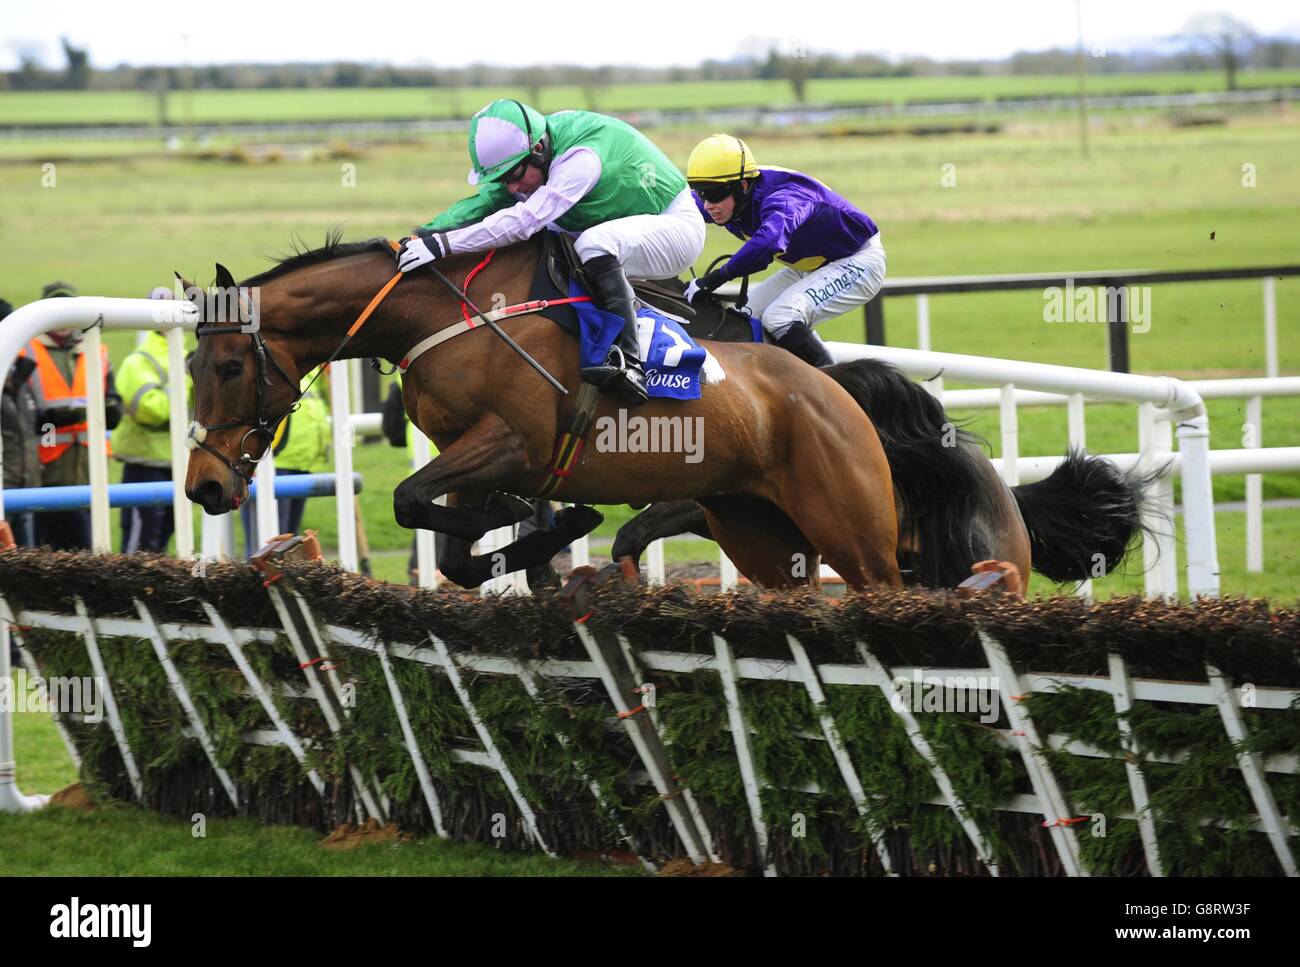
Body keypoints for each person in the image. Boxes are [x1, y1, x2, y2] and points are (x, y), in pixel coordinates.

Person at [395, 99, 704, 406]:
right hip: (618, 224)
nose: (513, 187)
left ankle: (631, 364)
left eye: (515, 176)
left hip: (675, 228)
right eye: (504, 179)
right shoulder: (530, 152)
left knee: (590, 243)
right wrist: (424, 234)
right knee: (543, 244)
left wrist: (443, 245)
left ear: (539, 151)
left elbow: (524, 221)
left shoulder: (580, 160)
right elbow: (487, 203)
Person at [683, 134, 886, 369]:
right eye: (701, 193)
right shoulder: (729, 198)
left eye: (715, 194)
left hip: (857, 261)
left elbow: (767, 242)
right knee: (747, 316)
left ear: (744, 186)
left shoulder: (786, 197)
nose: (708, 205)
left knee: (781, 317)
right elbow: (679, 207)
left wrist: (713, 279)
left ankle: (839, 390)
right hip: (809, 266)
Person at [21, 281, 122, 550]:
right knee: (47, 549)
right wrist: (81, 413)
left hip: (92, 467)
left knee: (89, 549)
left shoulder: (97, 350)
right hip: (48, 457)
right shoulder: (26, 350)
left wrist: (107, 410)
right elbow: (34, 418)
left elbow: (114, 410)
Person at [113, 292, 191, 553]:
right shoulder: (138, 362)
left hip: (178, 462)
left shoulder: (186, 357)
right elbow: (152, 411)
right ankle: (129, 595)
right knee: (139, 550)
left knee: (164, 543)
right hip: (144, 465)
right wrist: (188, 380)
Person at [240, 366, 330, 556]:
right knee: (268, 547)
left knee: (289, 546)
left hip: (303, 461)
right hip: (273, 464)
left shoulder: (309, 366)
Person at [0, 298, 41, 547]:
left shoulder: (22, 375)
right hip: (6, 488)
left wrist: (49, 435)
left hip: (27, 485)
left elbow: (40, 426)